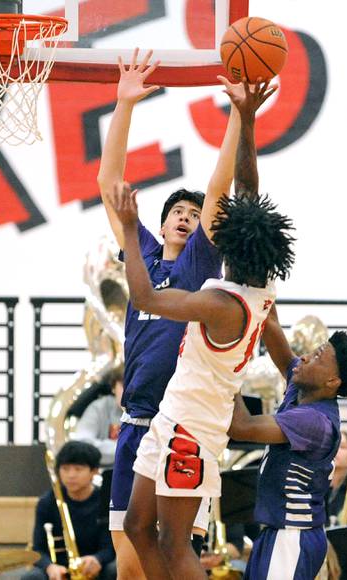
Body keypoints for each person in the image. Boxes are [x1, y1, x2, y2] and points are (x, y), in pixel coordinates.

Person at [112, 77, 294, 580]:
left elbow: (146, 297)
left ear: (232, 251)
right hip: (176, 414)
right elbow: (246, 192)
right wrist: (247, 118)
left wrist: (129, 230)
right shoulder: (256, 288)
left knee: (173, 545)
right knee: (136, 527)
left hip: (191, 426)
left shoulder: (222, 303)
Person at [95, 49, 242, 577]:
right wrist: (124, 103)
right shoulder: (144, 255)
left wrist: (236, 116)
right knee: (130, 564)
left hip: (181, 423)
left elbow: (221, 187)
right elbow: (109, 179)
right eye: (178, 211)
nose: (186, 217)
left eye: (194, 214)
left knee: (175, 548)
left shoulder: (203, 261)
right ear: (162, 223)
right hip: (136, 422)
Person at [228, 303, 347, 580]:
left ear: (332, 381)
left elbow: (241, 427)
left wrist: (225, 363)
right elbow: (271, 328)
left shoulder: (314, 421)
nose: (305, 358)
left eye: (317, 357)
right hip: (277, 532)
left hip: (292, 536)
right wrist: (262, 280)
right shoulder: (304, 385)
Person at [23, 441, 117, 580]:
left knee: (114, 570)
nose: (71, 475)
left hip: (93, 567)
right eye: (65, 469)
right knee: (32, 577)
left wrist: (98, 559)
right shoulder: (47, 502)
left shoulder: (105, 501)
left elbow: (111, 547)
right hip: (59, 568)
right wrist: (49, 567)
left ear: (94, 471)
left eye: (78, 469)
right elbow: (38, 549)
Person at [72, 368, 124, 467]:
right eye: (124, 386)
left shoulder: (153, 410)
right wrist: (128, 449)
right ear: (113, 387)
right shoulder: (99, 407)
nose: (129, 391)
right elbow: (83, 444)